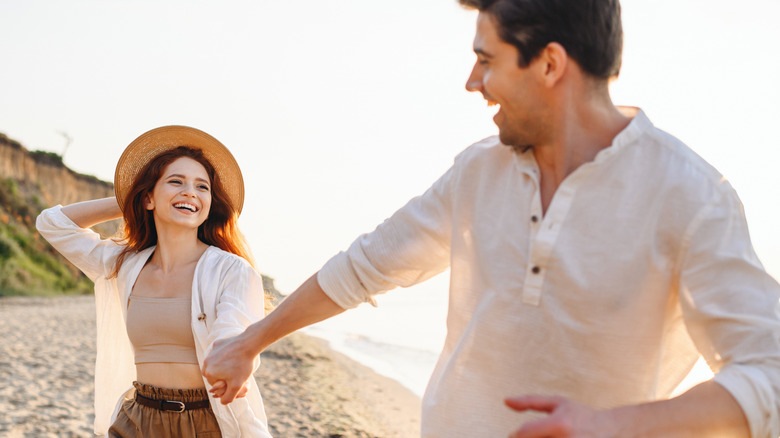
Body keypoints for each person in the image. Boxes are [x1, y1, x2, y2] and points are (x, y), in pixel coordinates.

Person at [203, 0, 780, 437]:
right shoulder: (477, 171)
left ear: (550, 63)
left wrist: (611, 426)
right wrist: (251, 342)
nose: (472, 81)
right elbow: (364, 266)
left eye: (486, 60)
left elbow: (768, 374)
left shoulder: (691, 195)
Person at [36, 126, 273, 437]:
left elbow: (234, 327)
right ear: (148, 197)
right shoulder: (124, 264)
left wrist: (233, 359)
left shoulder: (231, 270)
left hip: (205, 421)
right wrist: (131, 197)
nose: (190, 192)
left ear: (209, 205)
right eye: (176, 182)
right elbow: (53, 224)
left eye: (202, 187)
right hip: (137, 417)